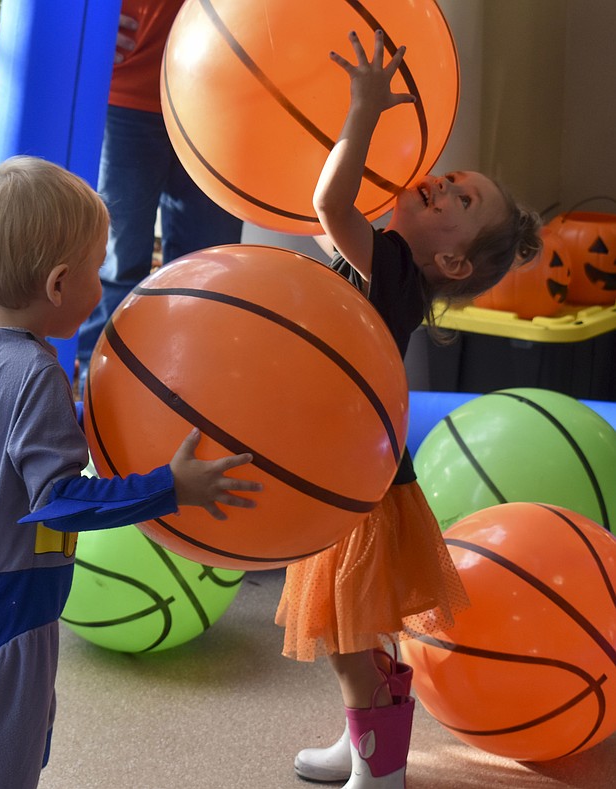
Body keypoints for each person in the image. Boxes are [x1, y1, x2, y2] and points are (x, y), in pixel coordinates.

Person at [0, 155, 262, 789]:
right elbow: (61, 503)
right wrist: (170, 488)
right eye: (98, 271)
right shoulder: (38, 372)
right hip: (4, 611)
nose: (104, 286)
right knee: (3, 773)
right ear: (58, 284)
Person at [275, 31, 542, 788]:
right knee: (351, 632)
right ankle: (364, 741)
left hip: (359, 485)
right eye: (455, 177)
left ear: (450, 262)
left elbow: (329, 200)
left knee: (343, 633)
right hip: (350, 471)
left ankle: (379, 763)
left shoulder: (392, 269)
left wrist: (361, 113)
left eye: (463, 201)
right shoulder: (386, 259)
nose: (445, 185)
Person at [75, 0, 244, 392]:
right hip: (128, 95)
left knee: (209, 270)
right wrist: (88, 18)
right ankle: (97, 395)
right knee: (114, 263)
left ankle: (194, 392)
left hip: (219, 94)